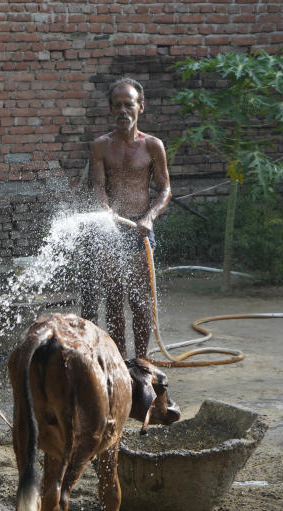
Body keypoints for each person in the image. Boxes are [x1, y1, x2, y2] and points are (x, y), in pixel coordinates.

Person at [84, 77, 172, 359]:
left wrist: (150, 218)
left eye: (129, 105)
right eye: (117, 105)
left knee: (141, 302)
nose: (123, 111)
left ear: (141, 107)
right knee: (113, 300)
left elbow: (166, 189)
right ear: (110, 110)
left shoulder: (152, 146)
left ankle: (142, 360)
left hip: (139, 230)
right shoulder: (100, 146)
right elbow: (97, 185)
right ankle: (121, 360)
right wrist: (105, 210)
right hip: (112, 229)